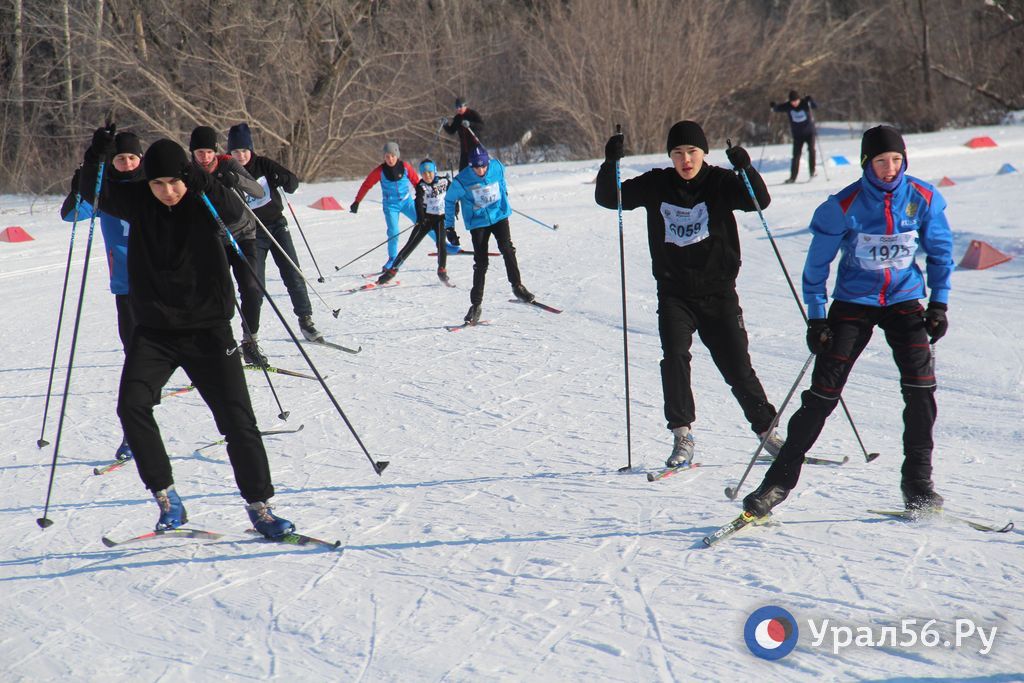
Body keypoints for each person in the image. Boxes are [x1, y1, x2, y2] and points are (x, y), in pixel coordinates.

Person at [78, 126, 295, 539]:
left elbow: (236, 214)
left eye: (173, 182)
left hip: (209, 330)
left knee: (238, 422)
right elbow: (96, 191)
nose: (166, 191)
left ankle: (260, 507)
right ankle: (166, 497)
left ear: (184, 177)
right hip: (155, 332)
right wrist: (97, 156)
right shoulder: (138, 201)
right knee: (132, 406)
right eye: (157, 183)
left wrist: (203, 183)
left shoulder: (202, 198)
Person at [743, 125, 954, 517]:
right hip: (853, 304)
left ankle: (918, 484)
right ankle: (774, 485)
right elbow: (816, 266)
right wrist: (817, 319)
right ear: (866, 163)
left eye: (896, 160)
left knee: (921, 390)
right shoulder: (843, 205)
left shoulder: (923, 198)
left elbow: (941, 252)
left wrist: (939, 304)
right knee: (822, 395)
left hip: (905, 301)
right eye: (881, 161)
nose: (890, 169)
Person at [595, 121, 784, 467]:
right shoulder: (656, 183)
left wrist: (745, 169)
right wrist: (610, 164)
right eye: (678, 153)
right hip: (674, 294)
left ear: (704, 154)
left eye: (692, 152)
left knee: (737, 366)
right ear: (670, 156)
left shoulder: (720, 182)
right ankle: (682, 436)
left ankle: (767, 433)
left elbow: (759, 201)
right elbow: (610, 198)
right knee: (675, 358)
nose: (686, 160)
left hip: (719, 293)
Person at [59, 131, 145, 462]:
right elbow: (69, 214)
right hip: (126, 288)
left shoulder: (155, 186)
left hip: (165, 286)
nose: (126, 164)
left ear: (141, 159)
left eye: (132, 158)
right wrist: (82, 178)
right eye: (120, 159)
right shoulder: (102, 192)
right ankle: (133, 432)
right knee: (135, 359)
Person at [226, 122, 323, 343]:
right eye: (235, 151)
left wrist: (284, 180)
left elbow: (292, 183)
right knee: (255, 285)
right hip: (250, 232)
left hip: (277, 226)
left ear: (250, 149)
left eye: (244, 150)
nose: (240, 155)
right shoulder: (227, 170)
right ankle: (250, 334)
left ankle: (306, 320)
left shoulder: (264, 165)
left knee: (292, 273)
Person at [189, 125, 269, 366]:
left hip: (243, 234)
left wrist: (235, 179)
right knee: (218, 296)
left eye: (208, 152)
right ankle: (219, 347)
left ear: (215, 151)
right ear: (192, 153)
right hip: (212, 239)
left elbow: (257, 190)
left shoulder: (227, 164)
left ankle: (250, 341)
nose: (204, 157)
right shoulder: (189, 173)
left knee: (252, 289)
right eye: (199, 152)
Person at [444, 145, 535, 324]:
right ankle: (476, 305)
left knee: (507, 248)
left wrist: (504, 193)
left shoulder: (497, 167)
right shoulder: (462, 181)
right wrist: (450, 228)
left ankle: (517, 286)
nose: (481, 170)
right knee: (481, 262)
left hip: (499, 216)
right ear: (471, 166)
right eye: (476, 167)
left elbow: (501, 178)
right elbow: (449, 200)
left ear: (488, 163)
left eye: (483, 166)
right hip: (478, 223)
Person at [349, 142, 420, 273]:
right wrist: (357, 201)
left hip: (406, 202)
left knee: (424, 222)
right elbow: (367, 185)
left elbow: (417, 183)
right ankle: (392, 258)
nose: (390, 159)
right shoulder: (380, 171)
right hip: (390, 205)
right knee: (394, 231)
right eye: (387, 156)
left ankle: (443, 246)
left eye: (392, 156)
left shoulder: (405, 167)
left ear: (397, 155)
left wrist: (422, 198)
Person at [377, 158, 451, 286]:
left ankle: (442, 270)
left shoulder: (445, 182)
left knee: (441, 245)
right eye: (424, 173)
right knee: (410, 245)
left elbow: (453, 196)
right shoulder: (421, 186)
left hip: (440, 219)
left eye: (429, 172)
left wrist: (454, 209)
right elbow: (418, 202)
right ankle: (392, 270)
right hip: (425, 220)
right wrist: (421, 218)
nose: (427, 176)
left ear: (434, 171)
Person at [771, 90, 817, 183]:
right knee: (796, 155)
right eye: (792, 102)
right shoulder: (788, 106)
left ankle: (812, 171)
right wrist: (773, 106)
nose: (794, 104)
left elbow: (815, 106)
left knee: (811, 150)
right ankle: (793, 177)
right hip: (797, 135)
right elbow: (778, 108)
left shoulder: (805, 104)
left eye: (796, 101)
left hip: (809, 133)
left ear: (799, 99)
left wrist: (811, 100)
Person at [443, 96, 485, 171]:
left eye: (460, 106)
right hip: (465, 150)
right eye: (456, 107)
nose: (458, 109)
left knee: (477, 169)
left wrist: (470, 124)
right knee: (463, 171)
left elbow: (482, 126)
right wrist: (445, 125)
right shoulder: (457, 118)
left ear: (465, 105)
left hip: (475, 147)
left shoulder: (473, 114)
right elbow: (452, 130)